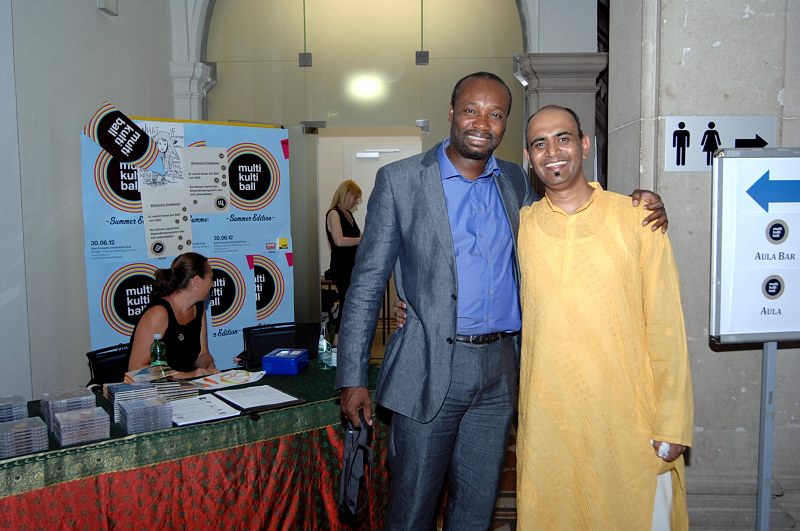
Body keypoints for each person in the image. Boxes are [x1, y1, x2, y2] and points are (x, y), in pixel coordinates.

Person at [337, 71, 668, 530]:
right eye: (471, 110)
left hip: (500, 371)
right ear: (451, 113)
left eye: (495, 114)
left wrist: (637, 204)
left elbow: (571, 211)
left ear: (505, 124)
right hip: (428, 365)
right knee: (412, 510)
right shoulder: (401, 181)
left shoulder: (515, 180)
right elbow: (367, 283)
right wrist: (352, 376)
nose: (482, 123)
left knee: (476, 509)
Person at [516, 105, 693, 530]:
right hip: (549, 420)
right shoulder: (523, 224)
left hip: (627, 418)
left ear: (584, 144)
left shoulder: (636, 218)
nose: (552, 151)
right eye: (540, 143)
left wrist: (672, 422)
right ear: (528, 156)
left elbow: (666, 325)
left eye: (563, 138)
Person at [128, 252, 219, 379]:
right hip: (158, 387)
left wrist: (209, 366)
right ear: (197, 281)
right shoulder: (159, 313)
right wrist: (185, 375)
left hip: (188, 385)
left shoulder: (199, 306)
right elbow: (136, 368)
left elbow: (202, 354)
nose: (212, 284)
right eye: (210, 278)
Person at [325, 179, 362, 344]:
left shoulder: (349, 215)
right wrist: (361, 240)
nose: (356, 202)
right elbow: (339, 241)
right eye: (355, 197)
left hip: (352, 267)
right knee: (346, 303)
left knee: (350, 303)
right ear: (346, 194)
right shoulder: (334, 213)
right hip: (341, 267)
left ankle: (342, 340)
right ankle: (337, 342)